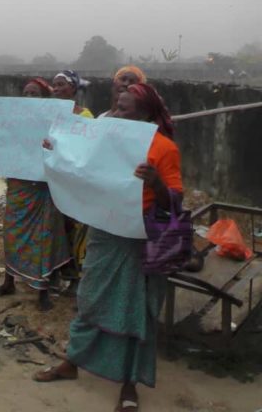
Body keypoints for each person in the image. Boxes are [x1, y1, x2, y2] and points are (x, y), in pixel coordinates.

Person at [33, 83, 182, 412]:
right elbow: (77, 166)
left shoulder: (163, 148)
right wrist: (54, 150)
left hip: (141, 239)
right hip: (105, 232)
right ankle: (72, 363)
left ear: (145, 113)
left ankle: (129, 384)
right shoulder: (102, 136)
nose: (116, 112)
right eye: (116, 105)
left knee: (137, 312)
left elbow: (175, 203)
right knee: (90, 300)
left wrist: (155, 182)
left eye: (124, 109)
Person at [0, 78, 71, 311]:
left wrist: (54, 147)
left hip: (42, 188)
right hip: (18, 186)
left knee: (43, 238)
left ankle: (42, 290)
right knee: (11, 233)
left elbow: (67, 148)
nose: (29, 97)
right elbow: (1, 143)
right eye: (26, 92)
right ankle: (8, 281)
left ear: (44, 98)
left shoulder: (56, 122)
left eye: (35, 93)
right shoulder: (12, 119)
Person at [52, 70, 93, 289]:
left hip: (73, 182)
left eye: (61, 85)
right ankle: (56, 273)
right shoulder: (48, 114)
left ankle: (75, 277)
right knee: (55, 228)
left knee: (73, 228)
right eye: (54, 85)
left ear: (74, 89)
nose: (56, 89)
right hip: (53, 180)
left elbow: (86, 150)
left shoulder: (85, 116)